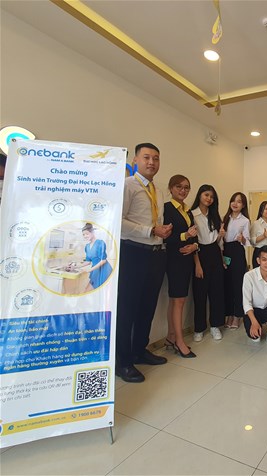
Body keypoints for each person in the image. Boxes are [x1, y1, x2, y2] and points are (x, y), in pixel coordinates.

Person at [116, 142, 172, 383]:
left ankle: (140, 350)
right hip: (133, 253)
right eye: (147, 157)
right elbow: (117, 221)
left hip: (156, 254)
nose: (152, 162)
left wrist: (161, 231)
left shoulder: (158, 190)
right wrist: (150, 230)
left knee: (147, 308)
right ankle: (122, 362)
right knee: (127, 309)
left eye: (156, 158)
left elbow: (155, 223)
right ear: (135, 160)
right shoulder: (127, 185)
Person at [163, 175, 198, 358]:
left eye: (186, 187)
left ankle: (171, 337)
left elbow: (194, 235)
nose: (183, 191)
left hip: (186, 259)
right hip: (174, 259)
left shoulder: (187, 210)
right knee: (178, 301)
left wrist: (194, 245)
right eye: (179, 187)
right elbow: (165, 237)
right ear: (171, 188)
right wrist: (186, 236)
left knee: (176, 300)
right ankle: (179, 341)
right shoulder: (167, 208)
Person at [191, 184, 226, 342]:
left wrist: (221, 235)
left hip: (215, 253)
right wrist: (197, 264)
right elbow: (193, 242)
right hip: (200, 253)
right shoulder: (192, 214)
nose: (209, 199)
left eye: (212, 197)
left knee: (216, 291)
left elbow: (217, 242)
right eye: (206, 195)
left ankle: (215, 326)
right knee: (200, 293)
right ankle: (199, 328)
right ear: (199, 195)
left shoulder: (214, 216)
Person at [222, 192, 251, 330]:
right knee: (227, 285)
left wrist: (242, 239)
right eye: (233, 200)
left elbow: (248, 242)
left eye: (239, 201)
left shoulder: (245, 221)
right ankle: (229, 314)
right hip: (225, 251)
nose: (235, 203)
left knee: (237, 285)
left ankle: (237, 315)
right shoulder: (224, 218)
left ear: (243, 205)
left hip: (237, 251)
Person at [80, 223, 113, 291]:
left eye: (87, 234)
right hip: (96, 270)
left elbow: (103, 260)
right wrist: (75, 267)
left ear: (92, 232)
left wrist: (89, 270)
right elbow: (88, 261)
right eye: (83, 234)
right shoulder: (87, 246)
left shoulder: (100, 243)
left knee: (90, 291)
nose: (85, 236)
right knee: (87, 291)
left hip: (104, 270)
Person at [250, 200, 267, 268]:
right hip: (259, 252)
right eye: (266, 209)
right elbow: (251, 241)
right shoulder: (256, 223)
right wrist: (263, 236)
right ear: (261, 211)